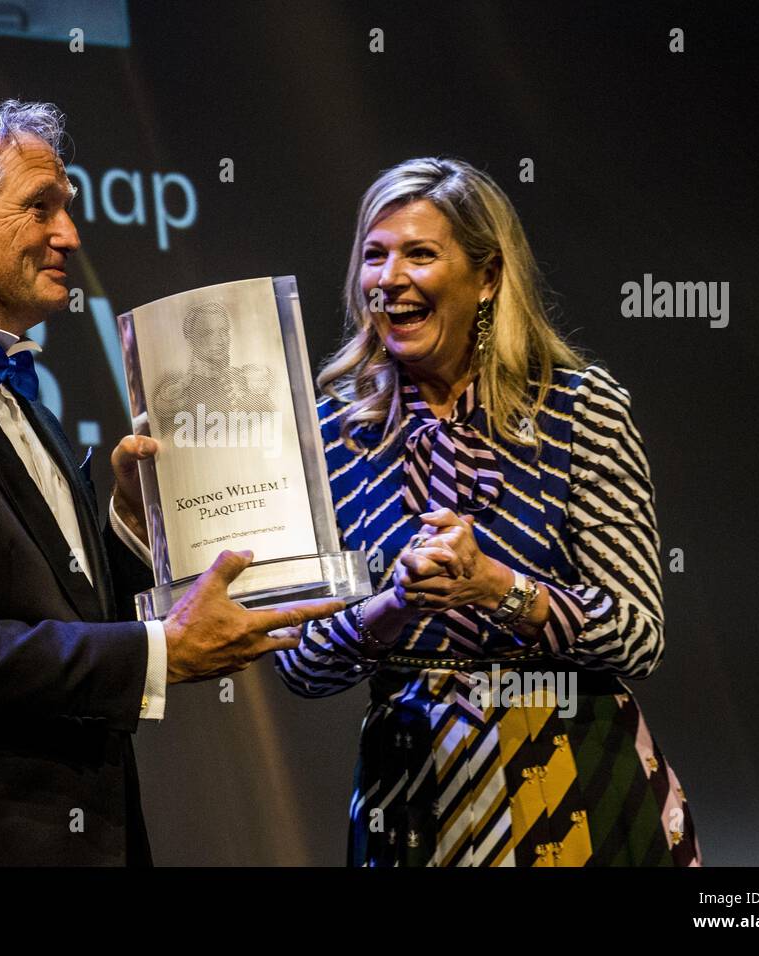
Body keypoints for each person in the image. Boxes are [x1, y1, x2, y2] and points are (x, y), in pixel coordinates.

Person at [0, 99, 341, 866]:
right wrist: (159, 653)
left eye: (67, 209)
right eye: (40, 208)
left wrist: (128, 524)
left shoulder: (24, 396)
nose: (70, 236)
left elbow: (51, 611)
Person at [274, 157, 701, 867]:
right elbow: (302, 665)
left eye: (419, 254)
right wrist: (394, 606)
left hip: (576, 781)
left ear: (489, 277)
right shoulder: (327, 435)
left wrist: (501, 591)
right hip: (410, 797)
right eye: (373, 256)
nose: (389, 279)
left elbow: (637, 634)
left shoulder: (580, 410)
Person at [150, 299, 275, 434]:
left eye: (224, 331)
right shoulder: (175, 395)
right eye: (207, 333)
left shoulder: (250, 380)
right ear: (190, 340)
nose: (220, 340)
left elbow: (274, 429)